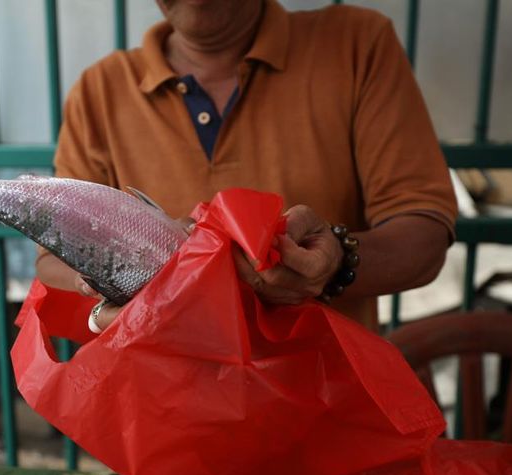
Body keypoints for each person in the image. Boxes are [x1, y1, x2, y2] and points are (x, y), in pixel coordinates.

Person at [36, 0, 457, 333]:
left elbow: (422, 235)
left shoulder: (357, 46)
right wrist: (111, 287)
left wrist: (336, 263)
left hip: (327, 418)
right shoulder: (100, 90)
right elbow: (52, 261)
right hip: (161, 416)